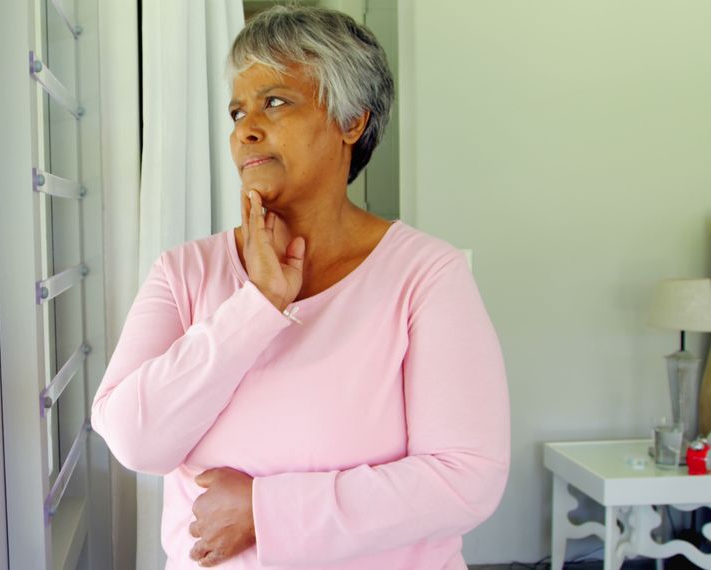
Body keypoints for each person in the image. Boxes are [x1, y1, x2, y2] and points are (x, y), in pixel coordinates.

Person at [91, 6, 509, 569]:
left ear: (351, 122)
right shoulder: (183, 272)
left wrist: (266, 510)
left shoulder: (426, 276)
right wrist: (256, 306)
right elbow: (135, 441)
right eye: (237, 110)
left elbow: (466, 477)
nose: (246, 128)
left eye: (276, 101)